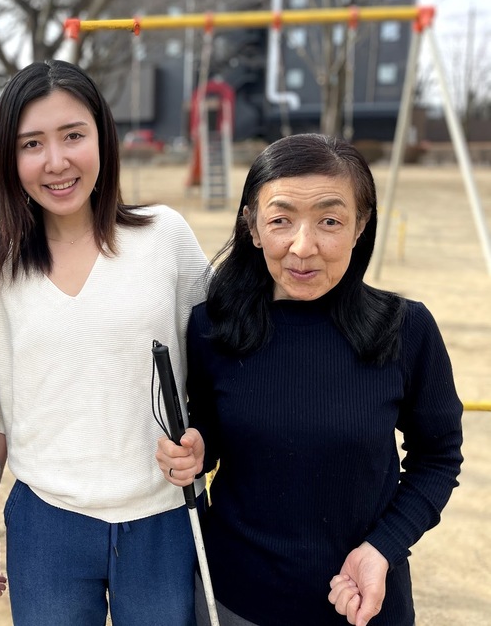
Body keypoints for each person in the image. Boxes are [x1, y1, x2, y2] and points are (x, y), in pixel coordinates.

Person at [157, 133, 464, 626]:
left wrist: (381, 549)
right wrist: (196, 447)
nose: (304, 246)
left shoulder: (407, 329)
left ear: (361, 225)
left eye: (330, 221)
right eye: (281, 219)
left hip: (364, 603)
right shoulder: (212, 327)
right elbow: (212, 431)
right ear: (253, 226)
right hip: (233, 601)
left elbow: (438, 456)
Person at [0, 59, 211, 625]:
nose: (56, 162)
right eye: (32, 143)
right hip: (47, 522)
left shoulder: (163, 235)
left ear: (103, 137)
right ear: (10, 158)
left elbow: (217, 362)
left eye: (73, 135)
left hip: (162, 517)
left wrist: (205, 438)